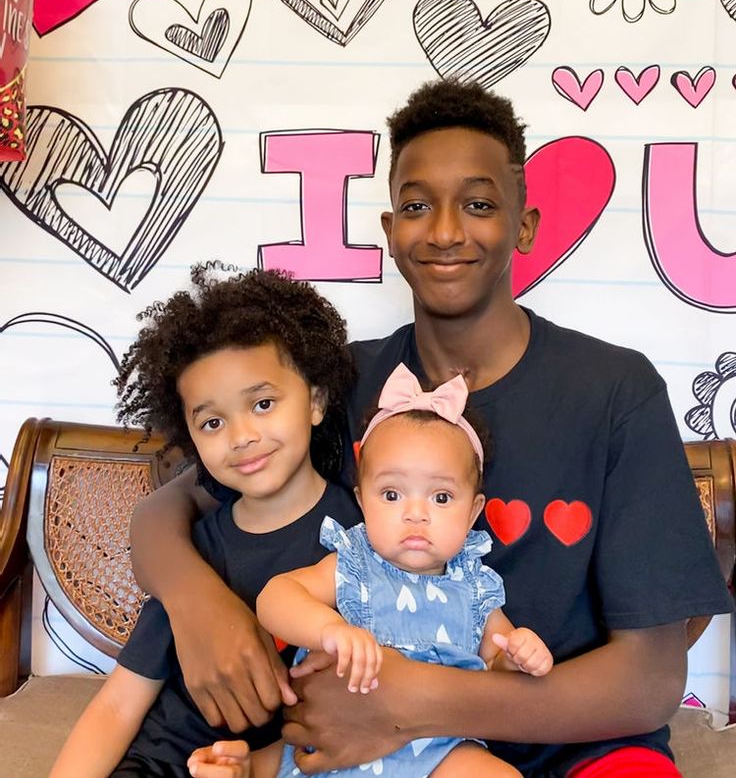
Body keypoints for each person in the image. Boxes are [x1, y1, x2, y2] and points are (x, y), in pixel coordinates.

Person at [129, 80, 733, 777]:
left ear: (525, 224)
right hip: (380, 753)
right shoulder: (343, 385)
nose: (445, 230)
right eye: (416, 206)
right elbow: (166, 508)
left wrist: (411, 701)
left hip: (575, 742)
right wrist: (199, 605)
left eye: (478, 204)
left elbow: (650, 681)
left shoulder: (613, 391)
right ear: (390, 232)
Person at [50, 264, 361, 778]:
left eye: (262, 403)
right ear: (190, 437)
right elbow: (118, 706)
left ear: (317, 401)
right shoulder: (197, 551)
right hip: (161, 764)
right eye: (213, 422)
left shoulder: (361, 535)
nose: (240, 436)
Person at [256, 362, 553, 778]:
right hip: (343, 740)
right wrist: (329, 630)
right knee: (278, 762)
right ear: (362, 502)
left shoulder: (474, 585)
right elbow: (276, 597)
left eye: (442, 498)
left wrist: (519, 655)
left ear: (473, 513)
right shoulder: (356, 563)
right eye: (392, 494)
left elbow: (496, 666)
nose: (416, 514)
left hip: (440, 748)